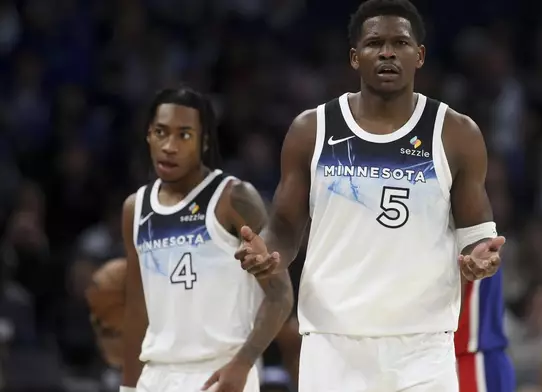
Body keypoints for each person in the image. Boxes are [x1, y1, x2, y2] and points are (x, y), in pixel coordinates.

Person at [235, 0, 506, 391]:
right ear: (354, 57)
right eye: (374, 43)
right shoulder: (311, 130)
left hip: (423, 346)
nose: (388, 52)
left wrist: (482, 255)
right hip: (332, 343)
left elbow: (477, 233)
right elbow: (284, 227)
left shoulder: (456, 133)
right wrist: (268, 253)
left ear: (420, 56)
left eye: (401, 42)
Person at [120, 87, 293, 392]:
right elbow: (136, 308)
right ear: (148, 135)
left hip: (220, 372)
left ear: (205, 141)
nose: (170, 146)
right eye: (161, 132)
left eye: (184, 135)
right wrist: (128, 387)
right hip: (155, 375)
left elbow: (281, 295)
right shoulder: (135, 208)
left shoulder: (234, 198)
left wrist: (243, 363)